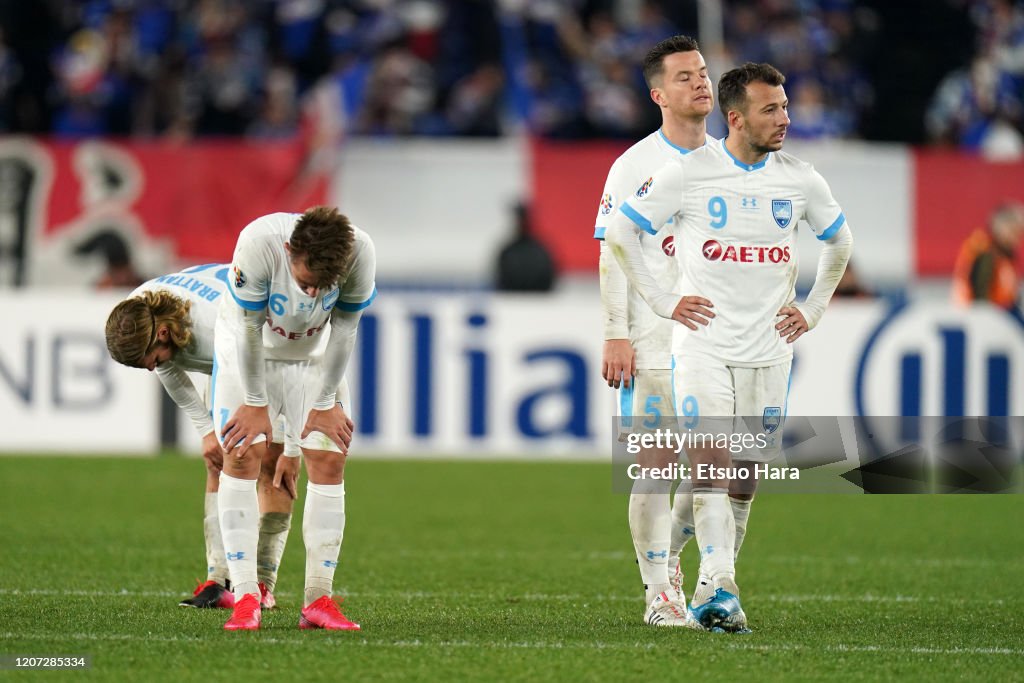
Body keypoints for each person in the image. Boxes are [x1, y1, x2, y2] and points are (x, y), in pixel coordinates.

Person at [607, 62, 853, 633]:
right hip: (703, 349)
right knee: (710, 464)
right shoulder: (689, 172)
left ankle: (705, 583)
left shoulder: (801, 178)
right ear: (737, 118)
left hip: (770, 351)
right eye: (772, 109)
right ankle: (721, 587)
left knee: (744, 477)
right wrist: (664, 303)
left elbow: (840, 241)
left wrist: (813, 308)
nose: (785, 118)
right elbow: (621, 232)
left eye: (786, 106)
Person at [593, 34, 714, 629]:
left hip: (716, 346)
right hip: (653, 343)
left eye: (703, 71)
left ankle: (673, 563)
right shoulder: (634, 165)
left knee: (715, 470)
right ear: (658, 93)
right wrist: (616, 332)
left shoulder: (728, 161)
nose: (700, 81)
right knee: (655, 466)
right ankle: (657, 594)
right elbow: (612, 251)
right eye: (686, 75)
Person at [213, 206, 375, 631]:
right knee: (242, 454)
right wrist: (253, 401)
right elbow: (248, 327)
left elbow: (344, 328)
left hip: (314, 359)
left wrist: (325, 403)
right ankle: (247, 595)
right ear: (289, 250)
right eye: (305, 281)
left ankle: (318, 598)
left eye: (324, 286)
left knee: (329, 457)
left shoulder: (361, 252)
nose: (312, 293)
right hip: (249, 356)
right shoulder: (259, 242)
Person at [104, 264, 299, 610]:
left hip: (271, 351)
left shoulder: (210, 326)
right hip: (227, 358)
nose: (151, 367)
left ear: (164, 333)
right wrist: (206, 431)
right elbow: (165, 366)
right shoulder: (137, 313)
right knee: (219, 458)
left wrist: (292, 443)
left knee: (271, 463)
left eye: (148, 359)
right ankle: (218, 580)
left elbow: (275, 363)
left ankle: (263, 585)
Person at [952, 202, 1024, 310]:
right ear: (1003, 228)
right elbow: (979, 291)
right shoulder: (985, 251)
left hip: (1001, 311)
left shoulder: (1005, 253)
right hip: (987, 314)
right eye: (1015, 232)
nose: (1018, 239)